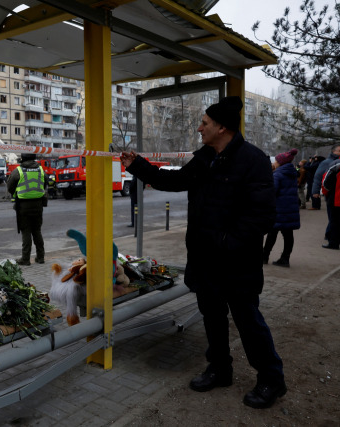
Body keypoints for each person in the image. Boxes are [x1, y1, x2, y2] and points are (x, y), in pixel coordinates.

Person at [121, 96, 286, 409]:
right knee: (213, 317)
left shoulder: (253, 160)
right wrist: (138, 165)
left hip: (237, 264)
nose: (200, 128)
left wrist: (226, 242)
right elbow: (174, 180)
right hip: (205, 260)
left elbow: (262, 217)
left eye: (205, 123)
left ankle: (271, 380)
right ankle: (220, 369)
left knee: (249, 322)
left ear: (221, 127)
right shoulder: (206, 158)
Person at [7, 153, 47, 266]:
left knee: (26, 231)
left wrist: (17, 193)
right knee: (37, 231)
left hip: (23, 205)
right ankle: (40, 257)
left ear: (22, 160)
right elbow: (46, 182)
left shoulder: (18, 171)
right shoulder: (40, 170)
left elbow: (10, 187)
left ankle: (25, 259)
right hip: (38, 204)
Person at [263, 149, 301, 267]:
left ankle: (264, 257)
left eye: (276, 161)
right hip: (290, 208)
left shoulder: (278, 174)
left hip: (279, 209)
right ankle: (285, 258)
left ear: (280, 162)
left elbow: (272, 191)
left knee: (271, 233)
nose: (274, 162)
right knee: (288, 235)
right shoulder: (291, 173)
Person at [312, 145, 340, 243]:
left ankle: (332, 236)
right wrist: (316, 191)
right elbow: (318, 177)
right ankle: (330, 235)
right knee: (333, 217)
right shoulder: (328, 162)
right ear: (333, 151)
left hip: (335, 194)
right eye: (339, 151)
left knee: (334, 217)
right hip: (331, 194)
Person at [321, 160, 340, 249]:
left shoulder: (336, 164)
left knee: (334, 221)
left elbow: (326, 181)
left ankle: (333, 243)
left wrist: (328, 193)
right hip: (335, 197)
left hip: (336, 198)